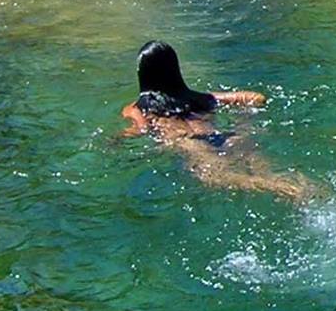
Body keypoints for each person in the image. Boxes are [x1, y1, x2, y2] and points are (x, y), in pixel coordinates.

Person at [120, 41, 316, 202]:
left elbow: (140, 129)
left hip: (192, 144)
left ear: (142, 74)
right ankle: (304, 187)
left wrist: (118, 140)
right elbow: (256, 98)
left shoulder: (136, 109)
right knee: (269, 171)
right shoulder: (202, 98)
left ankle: (280, 188)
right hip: (226, 137)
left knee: (217, 179)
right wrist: (244, 125)